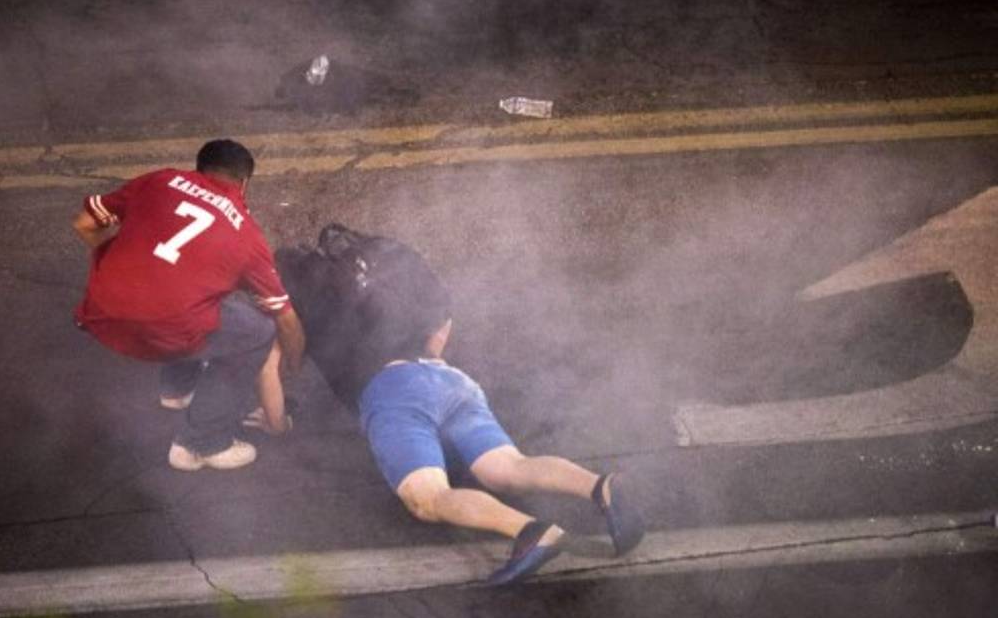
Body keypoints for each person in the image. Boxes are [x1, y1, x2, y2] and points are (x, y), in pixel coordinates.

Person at [274, 224, 644, 585]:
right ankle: (602, 487)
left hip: (390, 393)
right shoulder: (376, 257)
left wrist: (283, 401)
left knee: (428, 498)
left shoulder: (298, 287)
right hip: (450, 379)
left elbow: (286, 343)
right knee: (508, 467)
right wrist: (425, 359)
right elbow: (441, 315)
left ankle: (528, 532)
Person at [72, 139, 303, 470]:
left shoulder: (159, 180)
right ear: (244, 182)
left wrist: (111, 263)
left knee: (194, 296)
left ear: (199, 168)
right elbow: (285, 319)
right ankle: (202, 444)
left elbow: (84, 223)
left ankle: (176, 391)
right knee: (257, 332)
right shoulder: (248, 236)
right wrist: (293, 363)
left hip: (100, 311)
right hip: (164, 332)